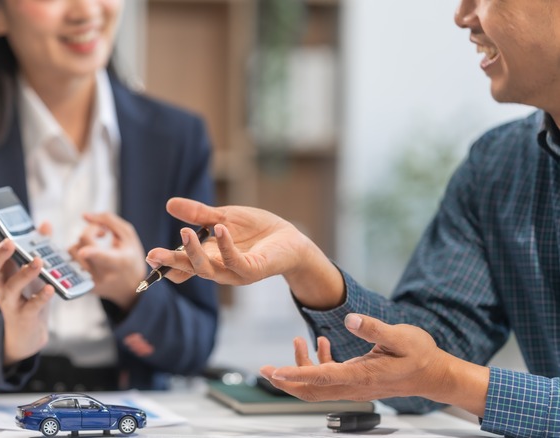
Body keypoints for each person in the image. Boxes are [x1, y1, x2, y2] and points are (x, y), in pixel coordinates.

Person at [146, 1, 560, 436]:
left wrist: (450, 379)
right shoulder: (498, 163)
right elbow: (426, 364)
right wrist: (309, 268)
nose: (462, 16)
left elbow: (438, 374)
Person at [0, 0, 217, 396]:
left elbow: (198, 342)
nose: (86, 10)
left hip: (123, 407)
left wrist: (135, 289)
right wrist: (11, 339)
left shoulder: (178, 139)